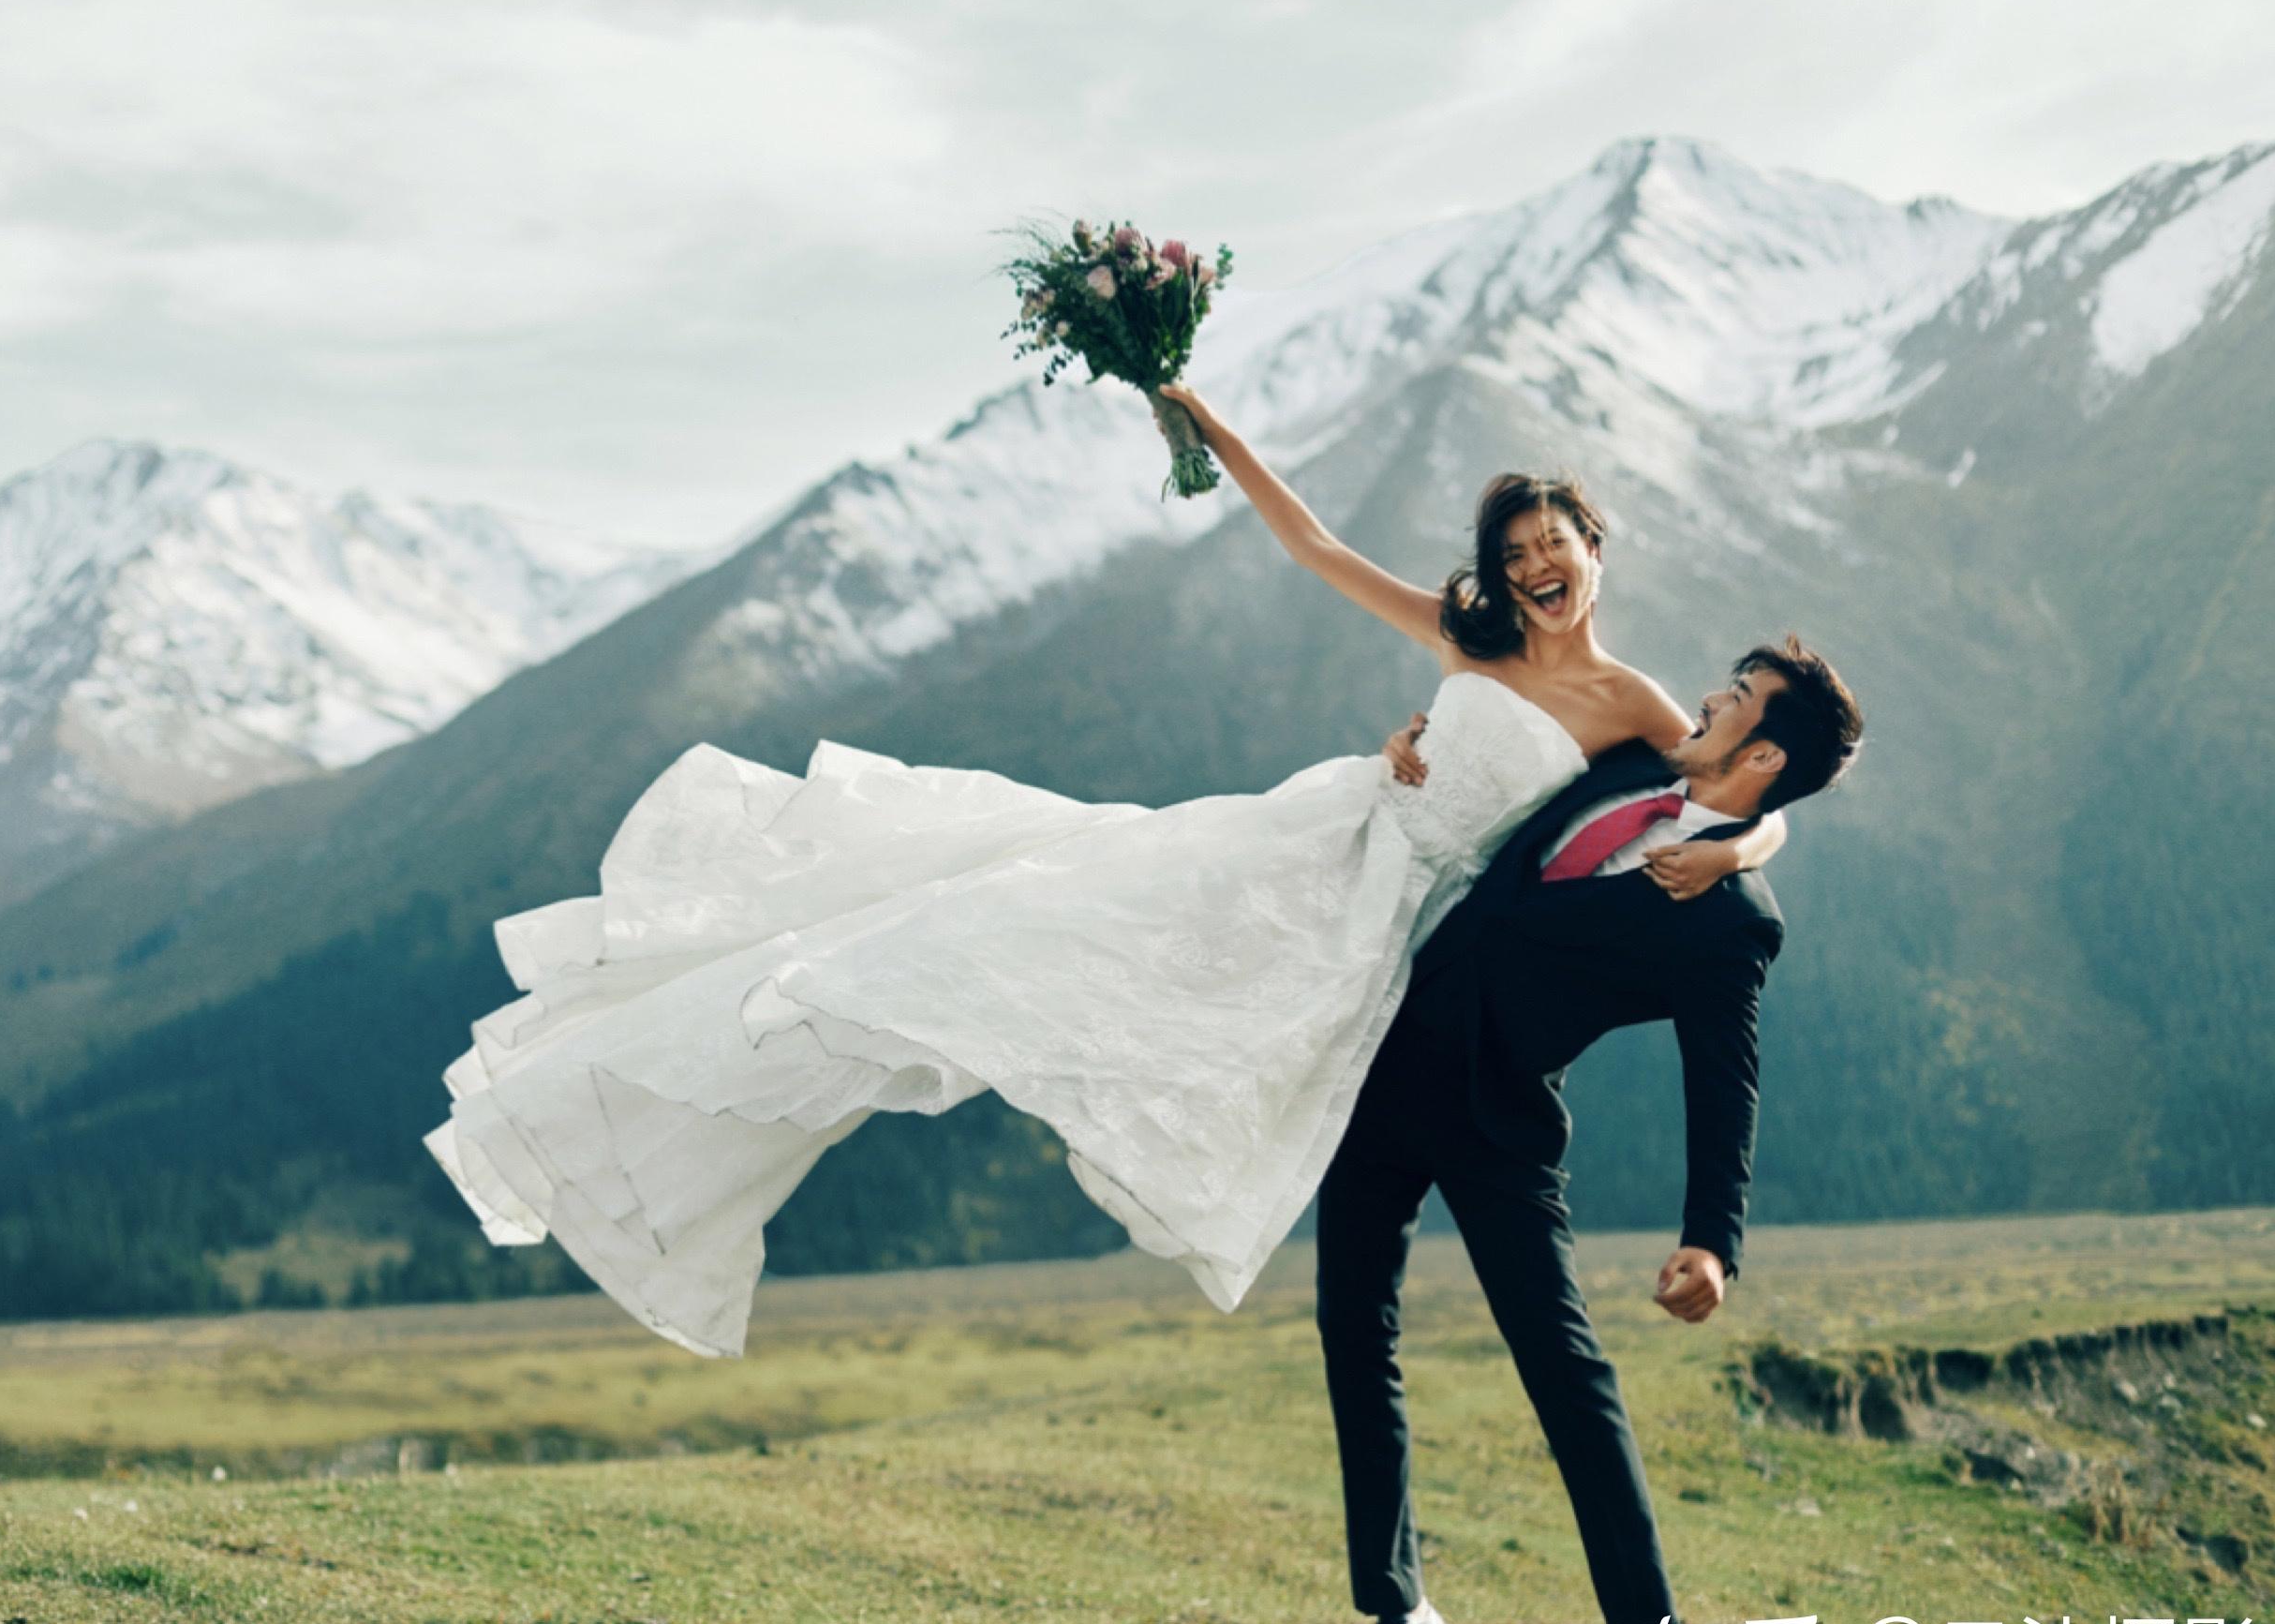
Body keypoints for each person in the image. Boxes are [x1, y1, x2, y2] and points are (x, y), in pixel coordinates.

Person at [425, 401, 1806, 1426]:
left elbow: (1741, 788)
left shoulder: (1637, 707)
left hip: (1393, 938)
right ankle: (816, 988)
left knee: (1210, 1053)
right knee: (1062, 903)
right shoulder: (1467, 641)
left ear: (1595, 552)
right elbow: (1314, 544)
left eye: (1556, 543)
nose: (1537, 566)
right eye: (1515, 552)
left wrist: (1750, 856)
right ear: (1497, 575)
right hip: (1325, 844)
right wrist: (1207, 423)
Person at [1329, 639, 1863, 1624]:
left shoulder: (1731, 919)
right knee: (1352, 1330)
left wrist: (1712, 1239)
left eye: (1735, 699)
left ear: (1762, 747)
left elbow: (1727, 1083)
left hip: (1498, 1118)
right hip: (1381, 1068)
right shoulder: (1627, 758)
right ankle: (1402, 1613)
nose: (1707, 696)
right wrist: (1409, 745)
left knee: (1567, 1377)